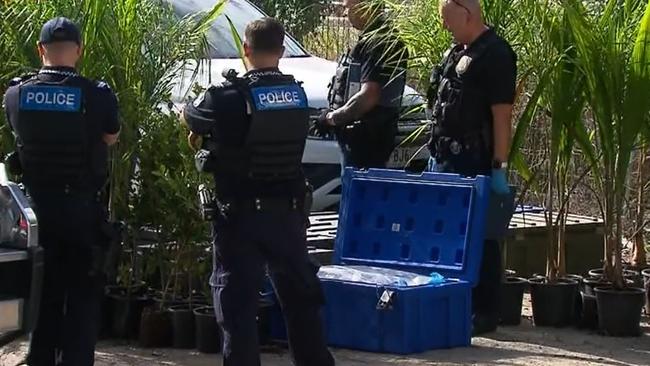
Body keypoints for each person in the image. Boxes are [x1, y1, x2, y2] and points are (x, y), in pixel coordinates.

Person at [182, 18, 335, 366]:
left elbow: (191, 118)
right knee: (301, 303)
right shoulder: (298, 95)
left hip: (240, 217)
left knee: (237, 309)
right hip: (289, 215)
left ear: (245, 50)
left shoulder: (227, 97)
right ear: (281, 51)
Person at [3, 17, 120, 365]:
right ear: (79, 51)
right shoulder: (97, 95)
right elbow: (110, 137)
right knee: (82, 297)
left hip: (36, 214)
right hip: (81, 211)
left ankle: (40, 359)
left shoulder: (16, 94)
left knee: (43, 294)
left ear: (41, 50)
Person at [426, 0, 517, 335]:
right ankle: (455, 303)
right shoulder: (456, 52)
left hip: (476, 160)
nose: (445, 27)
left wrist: (499, 167)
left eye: (448, 20)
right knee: (450, 234)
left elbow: (502, 115)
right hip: (446, 158)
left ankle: (485, 310)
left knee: (483, 237)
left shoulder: (495, 54)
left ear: (468, 13)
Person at [321, 0, 408, 169]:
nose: (346, 13)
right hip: (372, 139)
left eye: (348, 7)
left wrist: (331, 119)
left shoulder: (377, 42)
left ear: (364, 6)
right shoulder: (385, 38)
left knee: (357, 193)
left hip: (365, 144)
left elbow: (369, 95)